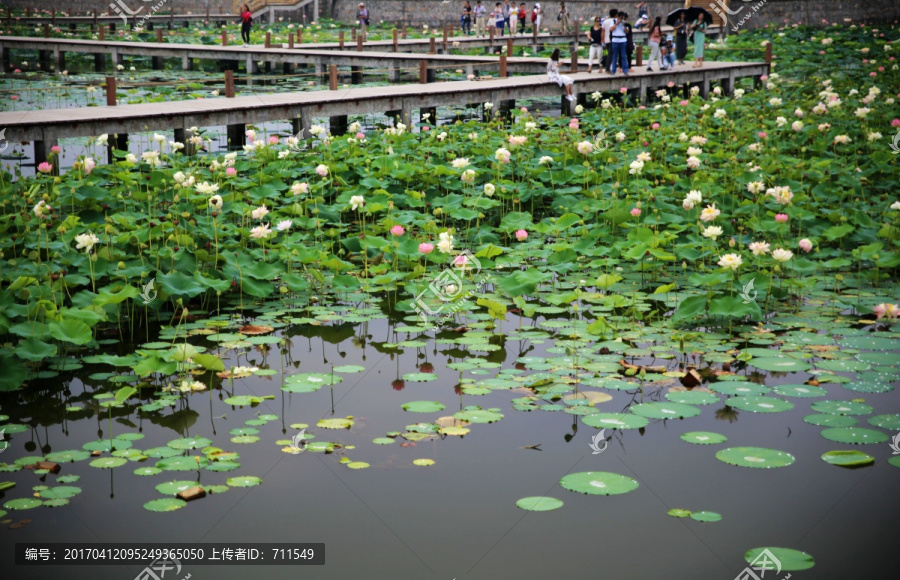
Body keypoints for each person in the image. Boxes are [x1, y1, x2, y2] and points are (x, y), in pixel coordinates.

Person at [608, 11, 629, 75]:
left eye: (622, 17)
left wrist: (624, 25)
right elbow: (611, 29)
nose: (621, 18)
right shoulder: (613, 21)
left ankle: (625, 70)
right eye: (620, 17)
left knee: (623, 56)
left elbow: (627, 32)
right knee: (615, 56)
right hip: (615, 40)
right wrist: (617, 23)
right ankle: (613, 70)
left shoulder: (624, 22)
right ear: (618, 16)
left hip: (623, 40)